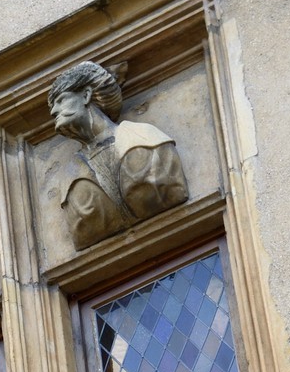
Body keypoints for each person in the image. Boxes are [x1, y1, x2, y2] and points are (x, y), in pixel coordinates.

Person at [49, 60, 189, 249]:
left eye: (61, 100)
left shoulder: (145, 137)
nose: (53, 111)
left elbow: (172, 189)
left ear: (85, 95)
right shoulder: (70, 175)